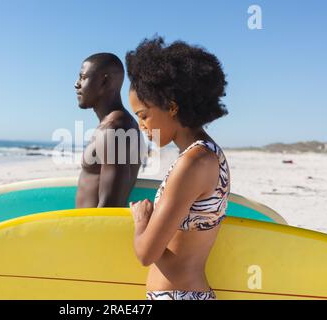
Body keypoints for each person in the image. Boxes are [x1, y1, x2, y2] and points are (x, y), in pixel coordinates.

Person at [126, 37, 230, 300]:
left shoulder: (193, 163)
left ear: (171, 107)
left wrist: (141, 221)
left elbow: (146, 253)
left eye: (143, 115)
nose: (141, 126)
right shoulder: (209, 154)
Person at [75, 53, 142, 208]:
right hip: (87, 228)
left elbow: (111, 205)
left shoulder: (115, 128)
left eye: (83, 77)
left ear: (104, 81)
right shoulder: (114, 124)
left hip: (94, 230)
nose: (77, 84)